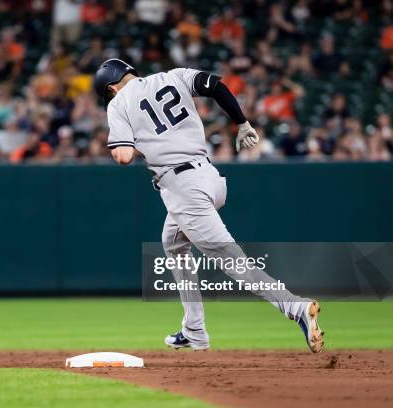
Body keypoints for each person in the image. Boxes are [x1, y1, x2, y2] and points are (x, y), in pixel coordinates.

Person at [94, 59, 324, 353]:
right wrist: (241, 122)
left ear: (112, 86)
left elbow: (124, 156)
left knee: (234, 263)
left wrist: (135, 141)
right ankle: (194, 330)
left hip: (184, 189)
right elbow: (215, 84)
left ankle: (296, 307)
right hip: (211, 180)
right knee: (173, 243)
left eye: (109, 93)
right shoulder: (172, 75)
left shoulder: (118, 104)